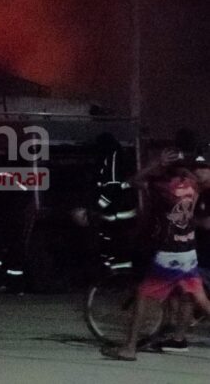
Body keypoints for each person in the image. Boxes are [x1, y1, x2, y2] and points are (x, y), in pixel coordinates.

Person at [101, 149, 210, 360]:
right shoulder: (195, 186)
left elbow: (133, 181)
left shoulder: (164, 186)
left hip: (170, 253)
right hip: (188, 250)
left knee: (143, 295)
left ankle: (129, 348)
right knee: (201, 299)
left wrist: (155, 163)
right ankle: (169, 338)